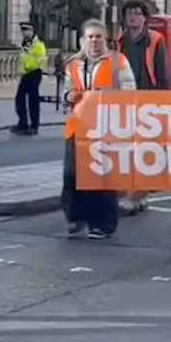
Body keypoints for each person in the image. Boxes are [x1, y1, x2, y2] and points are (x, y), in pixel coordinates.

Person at [63, 19, 135, 240]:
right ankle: (76, 218)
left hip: (106, 127)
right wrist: (69, 96)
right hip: (78, 126)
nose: (94, 41)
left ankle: (102, 224)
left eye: (98, 36)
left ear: (105, 39)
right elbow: (67, 91)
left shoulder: (117, 61)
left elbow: (130, 90)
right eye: (90, 37)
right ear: (83, 40)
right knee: (73, 175)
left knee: (102, 176)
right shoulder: (74, 63)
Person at [117, 0, 168, 215]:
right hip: (126, 100)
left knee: (145, 150)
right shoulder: (120, 41)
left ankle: (139, 194)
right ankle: (133, 194)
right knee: (128, 149)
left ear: (145, 18)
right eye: (130, 13)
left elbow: (161, 73)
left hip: (148, 101)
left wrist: (162, 102)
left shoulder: (156, 40)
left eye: (138, 13)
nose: (134, 17)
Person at [12, 21, 47, 135]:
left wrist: (28, 67)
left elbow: (40, 60)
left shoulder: (38, 45)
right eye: (23, 30)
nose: (24, 33)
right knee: (19, 99)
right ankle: (23, 123)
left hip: (34, 73)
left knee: (33, 101)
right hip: (25, 74)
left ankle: (34, 125)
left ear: (32, 31)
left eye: (26, 30)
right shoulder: (25, 44)